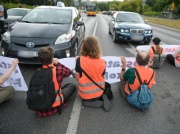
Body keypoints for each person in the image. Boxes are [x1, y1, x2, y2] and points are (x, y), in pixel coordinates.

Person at [74, 36, 111, 112]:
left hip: (84, 94)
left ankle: (95, 103)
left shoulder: (79, 60)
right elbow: (102, 77)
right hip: (99, 91)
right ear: (97, 48)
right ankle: (102, 96)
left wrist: (77, 62)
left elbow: (77, 78)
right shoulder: (102, 62)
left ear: (84, 47)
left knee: (84, 102)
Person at [36, 47, 76, 116]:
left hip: (41, 109)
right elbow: (69, 72)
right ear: (52, 58)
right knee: (71, 86)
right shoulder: (59, 69)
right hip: (55, 106)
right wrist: (58, 63)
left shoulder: (38, 72)